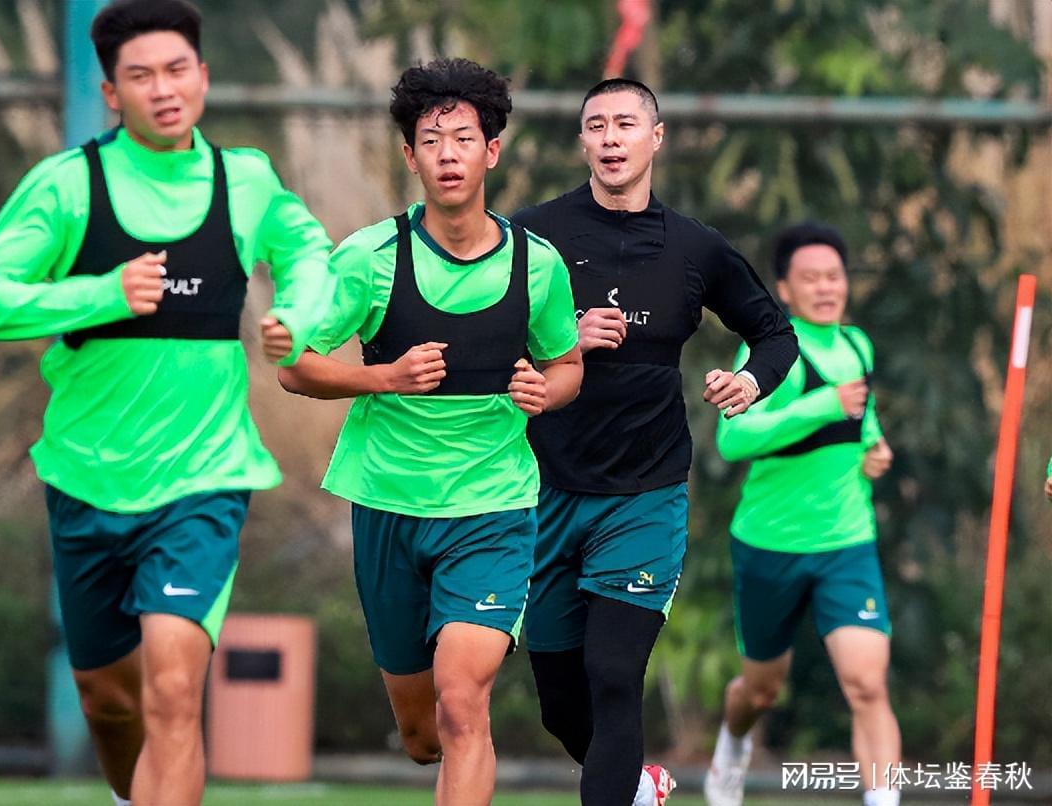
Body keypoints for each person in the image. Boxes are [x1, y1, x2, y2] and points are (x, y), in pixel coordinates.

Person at [0, 2, 334, 803]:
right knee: (110, 700)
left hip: (203, 478)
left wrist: (297, 317)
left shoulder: (245, 180)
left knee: (172, 690)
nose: (163, 89)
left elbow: (308, 254)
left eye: (176, 70)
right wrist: (101, 294)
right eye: (141, 75)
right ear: (110, 93)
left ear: (203, 76)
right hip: (86, 477)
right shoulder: (68, 185)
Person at [277, 58, 582, 805]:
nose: (449, 154)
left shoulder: (537, 266)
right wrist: (384, 376)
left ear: (492, 151)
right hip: (389, 504)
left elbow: (568, 364)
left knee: (462, 702)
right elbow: (295, 365)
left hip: (492, 508)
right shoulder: (370, 258)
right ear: (410, 156)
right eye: (431, 140)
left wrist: (547, 390)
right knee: (422, 734)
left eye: (464, 138)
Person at [511, 78, 798, 806]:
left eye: (626, 124)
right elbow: (481, 335)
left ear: (656, 137)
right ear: (582, 141)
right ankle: (637, 785)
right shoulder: (532, 236)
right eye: (596, 125)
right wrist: (563, 339)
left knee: (613, 675)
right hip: (544, 487)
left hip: (647, 491)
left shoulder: (696, 247)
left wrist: (751, 381)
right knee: (560, 703)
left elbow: (774, 334)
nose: (611, 138)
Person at [704, 222, 900, 806]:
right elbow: (733, 440)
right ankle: (733, 745)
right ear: (785, 290)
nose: (825, 288)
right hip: (770, 542)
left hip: (847, 540)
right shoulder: (770, 353)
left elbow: (862, 420)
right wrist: (821, 404)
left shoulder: (858, 346)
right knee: (760, 691)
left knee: (867, 686)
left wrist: (875, 448)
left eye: (834, 276)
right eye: (810, 279)